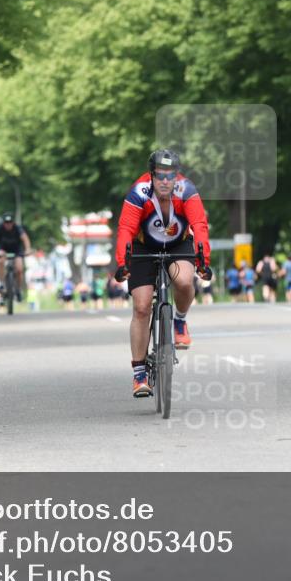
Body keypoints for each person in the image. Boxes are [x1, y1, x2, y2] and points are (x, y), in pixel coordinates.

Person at [113, 149, 212, 398]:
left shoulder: (186, 191)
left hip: (178, 243)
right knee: (142, 306)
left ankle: (179, 320)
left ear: (176, 176)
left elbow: (199, 225)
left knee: (184, 280)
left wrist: (203, 260)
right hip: (143, 245)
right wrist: (123, 262)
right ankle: (139, 374)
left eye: (170, 176)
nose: (165, 181)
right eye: (160, 176)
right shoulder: (139, 193)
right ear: (152, 175)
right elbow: (125, 228)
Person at [0, 213, 31, 302]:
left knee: (19, 268)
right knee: (0, 261)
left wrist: (27, 249)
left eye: (10, 222)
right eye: (6, 222)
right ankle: (2, 284)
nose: (8, 224)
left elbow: (25, 239)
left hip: (16, 250)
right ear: (3, 223)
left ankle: (18, 289)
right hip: (3, 250)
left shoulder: (18, 229)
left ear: (13, 222)